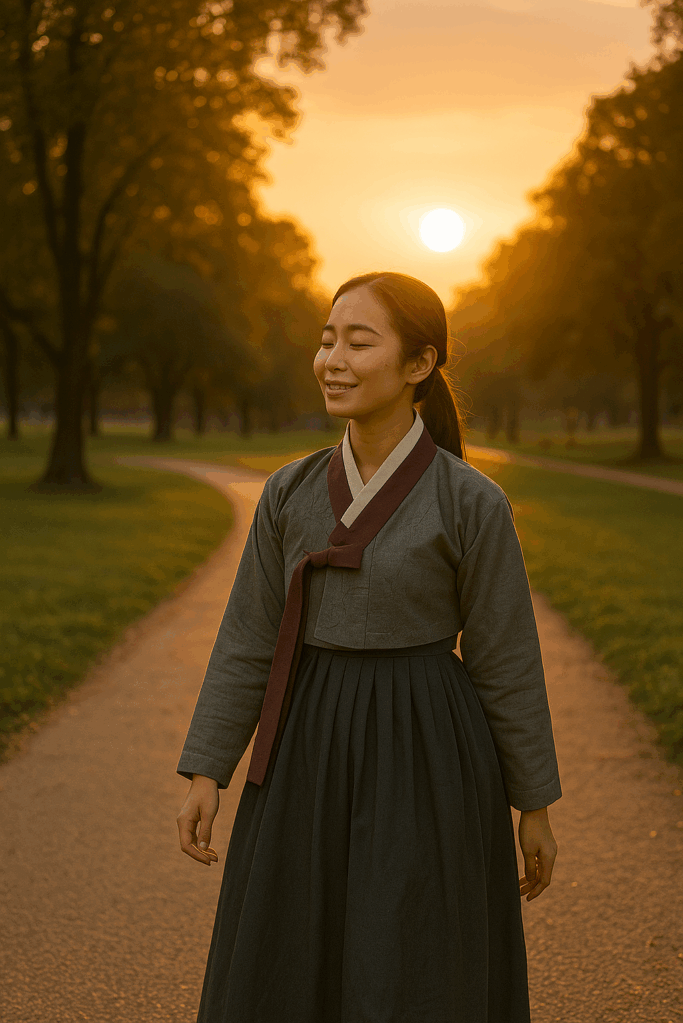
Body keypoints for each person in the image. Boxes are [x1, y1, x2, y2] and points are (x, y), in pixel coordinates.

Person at [176, 271, 561, 1023]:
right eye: (326, 341)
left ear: (418, 366)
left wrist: (532, 804)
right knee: (290, 944)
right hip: (302, 742)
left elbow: (505, 661)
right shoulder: (287, 492)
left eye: (358, 342)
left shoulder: (470, 502)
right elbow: (249, 636)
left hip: (425, 746)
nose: (333, 360)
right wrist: (206, 769)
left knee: (411, 946)